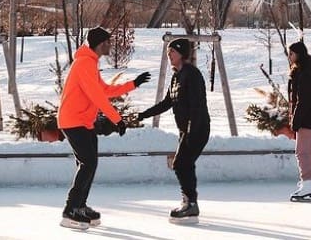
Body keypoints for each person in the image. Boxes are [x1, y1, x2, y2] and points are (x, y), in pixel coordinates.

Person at [57, 26, 151, 230]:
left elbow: (104, 90)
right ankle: (70, 209)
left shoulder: (90, 63)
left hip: (83, 122)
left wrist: (133, 84)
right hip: (73, 121)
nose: (111, 45)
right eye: (108, 42)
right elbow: (97, 96)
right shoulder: (84, 63)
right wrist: (117, 120)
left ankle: (80, 206)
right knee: (88, 163)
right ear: (100, 44)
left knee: (90, 163)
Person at [136, 37, 210, 222]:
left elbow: (197, 105)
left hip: (197, 128)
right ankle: (190, 202)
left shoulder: (192, 75)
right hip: (186, 129)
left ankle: (190, 203)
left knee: (180, 164)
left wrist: (192, 130)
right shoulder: (177, 76)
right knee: (184, 164)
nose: (169, 55)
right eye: (168, 52)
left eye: (172, 52)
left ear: (182, 54)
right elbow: (167, 103)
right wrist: (143, 114)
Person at [287, 40, 311, 202]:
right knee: (305, 151)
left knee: (302, 152)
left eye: (292, 53)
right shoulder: (303, 72)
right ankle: (309, 184)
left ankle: (307, 184)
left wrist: (296, 120)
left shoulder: (305, 74)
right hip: (309, 118)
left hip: (307, 119)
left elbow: (304, 100)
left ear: (298, 55)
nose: (290, 56)